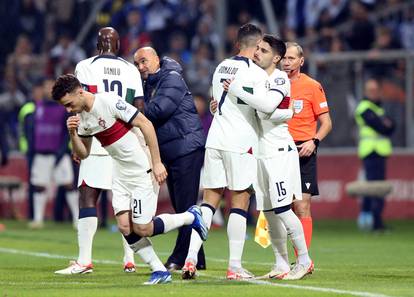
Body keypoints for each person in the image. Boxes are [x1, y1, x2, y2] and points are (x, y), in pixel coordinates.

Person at [51, 74, 208, 285]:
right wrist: (73, 134)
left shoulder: (107, 101)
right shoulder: (82, 120)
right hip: (119, 173)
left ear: (79, 92)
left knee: (143, 228)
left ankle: (191, 216)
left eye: (69, 104)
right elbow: (84, 154)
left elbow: (146, 124)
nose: (68, 110)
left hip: (141, 168)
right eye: (65, 107)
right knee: (125, 227)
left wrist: (157, 162)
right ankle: (159, 271)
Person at [181, 23, 281, 280]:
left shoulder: (221, 66)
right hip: (240, 142)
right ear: (257, 46)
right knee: (240, 201)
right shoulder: (257, 74)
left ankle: (190, 258)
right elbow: (262, 109)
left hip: (215, 138)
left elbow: (217, 103)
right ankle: (234, 266)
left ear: (238, 44)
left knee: (209, 202)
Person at [55, 27, 143, 275]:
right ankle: (130, 260)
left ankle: (85, 260)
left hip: (97, 135)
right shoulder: (131, 69)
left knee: (87, 195)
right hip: (125, 138)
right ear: (119, 45)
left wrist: (79, 139)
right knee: (124, 200)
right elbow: (139, 106)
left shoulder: (85, 65)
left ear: (97, 45)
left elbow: (80, 103)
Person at [133, 47, 206, 271]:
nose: (140, 67)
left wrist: (132, 111)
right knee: (182, 207)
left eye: (144, 61)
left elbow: (159, 110)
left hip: (185, 147)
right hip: (173, 149)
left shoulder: (172, 78)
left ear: (156, 59)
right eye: (137, 64)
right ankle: (198, 257)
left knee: (185, 207)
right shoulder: (152, 83)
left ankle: (179, 256)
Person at [281, 42, 332, 254]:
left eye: (291, 58)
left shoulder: (312, 86)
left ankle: (302, 260)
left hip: (304, 150)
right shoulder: (272, 84)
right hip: (279, 150)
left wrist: (314, 141)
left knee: (302, 206)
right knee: (281, 208)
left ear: (301, 61)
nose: (286, 62)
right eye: (283, 58)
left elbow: (327, 122)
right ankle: (282, 258)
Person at [27, 77, 78, 229]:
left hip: (59, 154)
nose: (48, 89)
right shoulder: (37, 107)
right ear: (42, 89)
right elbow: (31, 130)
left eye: (51, 86)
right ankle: (38, 219)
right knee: (39, 186)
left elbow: (67, 132)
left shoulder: (63, 107)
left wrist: (62, 151)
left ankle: (76, 219)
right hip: (41, 153)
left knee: (69, 184)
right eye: (46, 86)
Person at [355, 78, 394, 232]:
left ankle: (374, 220)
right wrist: (384, 123)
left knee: (377, 187)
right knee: (373, 188)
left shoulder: (378, 108)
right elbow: (382, 127)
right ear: (365, 92)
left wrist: (385, 124)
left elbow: (392, 126)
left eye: (375, 90)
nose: (374, 93)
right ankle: (374, 222)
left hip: (380, 151)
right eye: (370, 90)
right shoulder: (364, 107)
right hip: (370, 151)